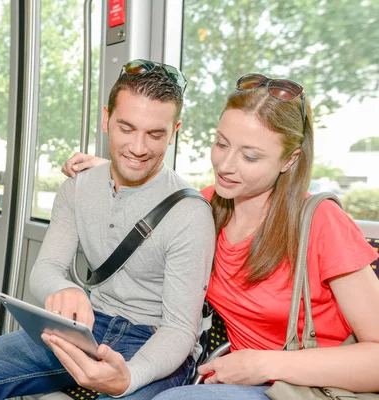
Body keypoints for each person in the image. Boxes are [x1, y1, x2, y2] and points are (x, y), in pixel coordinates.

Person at [62, 73, 379, 399]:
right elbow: (159, 196)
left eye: (250, 156)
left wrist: (264, 364)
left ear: (289, 160)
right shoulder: (207, 208)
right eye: (221, 144)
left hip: (309, 386)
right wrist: (112, 168)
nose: (225, 165)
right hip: (245, 379)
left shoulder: (321, 222)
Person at [0, 60, 216, 400]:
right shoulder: (77, 188)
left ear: (174, 131)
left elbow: (180, 329)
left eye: (155, 134)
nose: (139, 148)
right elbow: (46, 269)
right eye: (126, 128)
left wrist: (129, 377)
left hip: (154, 342)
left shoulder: (190, 213)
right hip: (89, 327)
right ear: (106, 119)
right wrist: (66, 289)